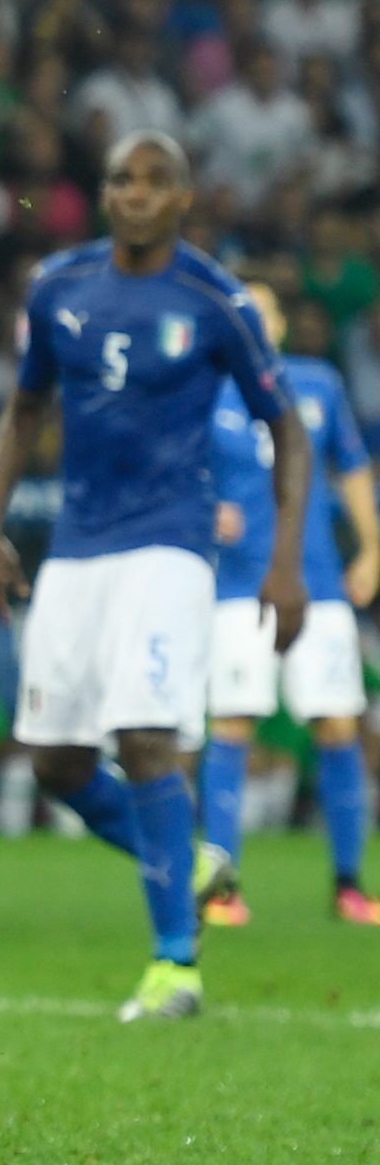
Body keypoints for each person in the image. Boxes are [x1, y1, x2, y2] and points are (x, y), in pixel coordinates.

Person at [0, 132, 307, 1024]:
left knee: (147, 736)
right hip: (78, 546)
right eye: (123, 177)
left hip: (170, 543)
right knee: (56, 761)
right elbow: (25, 406)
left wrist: (284, 562)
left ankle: (175, 966)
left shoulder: (214, 298)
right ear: (106, 191)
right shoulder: (60, 286)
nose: (137, 193)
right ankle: (190, 862)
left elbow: (291, 430)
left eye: (157, 181)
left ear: (185, 197)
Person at [201, 282, 379, 926]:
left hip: (319, 586)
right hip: (236, 589)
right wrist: (202, 508)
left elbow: (353, 467)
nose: (250, 320)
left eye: (261, 310)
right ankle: (222, 888)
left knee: (337, 727)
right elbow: (174, 468)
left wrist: (372, 550)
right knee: (232, 726)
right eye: (239, 310)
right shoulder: (205, 388)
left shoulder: (318, 383)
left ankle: (348, 885)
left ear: (277, 323)